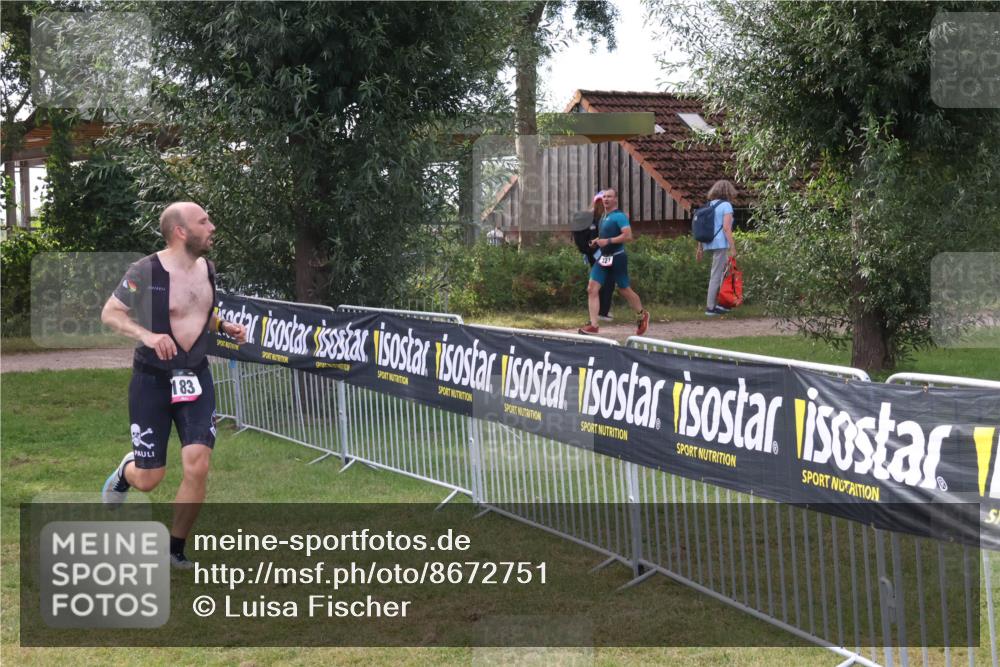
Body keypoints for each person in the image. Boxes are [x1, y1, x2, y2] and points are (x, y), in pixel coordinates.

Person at [100, 202, 247, 569]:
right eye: (204, 221)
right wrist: (147, 335)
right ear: (181, 231)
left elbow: (199, 310)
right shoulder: (145, 270)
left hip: (196, 378)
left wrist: (223, 326)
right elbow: (111, 313)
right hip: (152, 380)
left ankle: (174, 550)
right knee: (149, 479)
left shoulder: (207, 269)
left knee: (197, 465)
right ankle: (125, 472)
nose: (212, 226)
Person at [577, 188, 649, 336]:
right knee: (592, 288)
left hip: (617, 257)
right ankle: (594, 325)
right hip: (603, 258)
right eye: (604, 197)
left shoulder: (619, 216)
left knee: (624, 289)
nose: (606, 199)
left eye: (609, 197)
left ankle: (642, 315)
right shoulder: (603, 216)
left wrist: (608, 241)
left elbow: (628, 236)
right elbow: (606, 236)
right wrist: (597, 241)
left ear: (615, 199)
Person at [570, 192, 615, 321]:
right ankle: (602, 312)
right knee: (607, 282)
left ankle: (600, 311)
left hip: (591, 254)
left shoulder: (588, 217)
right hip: (599, 254)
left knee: (598, 282)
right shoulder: (599, 218)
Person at [695, 179, 738, 316]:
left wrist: (699, 248)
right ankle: (711, 307)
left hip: (708, 242)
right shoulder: (726, 206)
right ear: (728, 191)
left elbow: (702, 227)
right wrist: (732, 246)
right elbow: (726, 228)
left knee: (723, 274)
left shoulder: (709, 205)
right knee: (717, 274)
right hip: (720, 243)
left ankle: (722, 304)